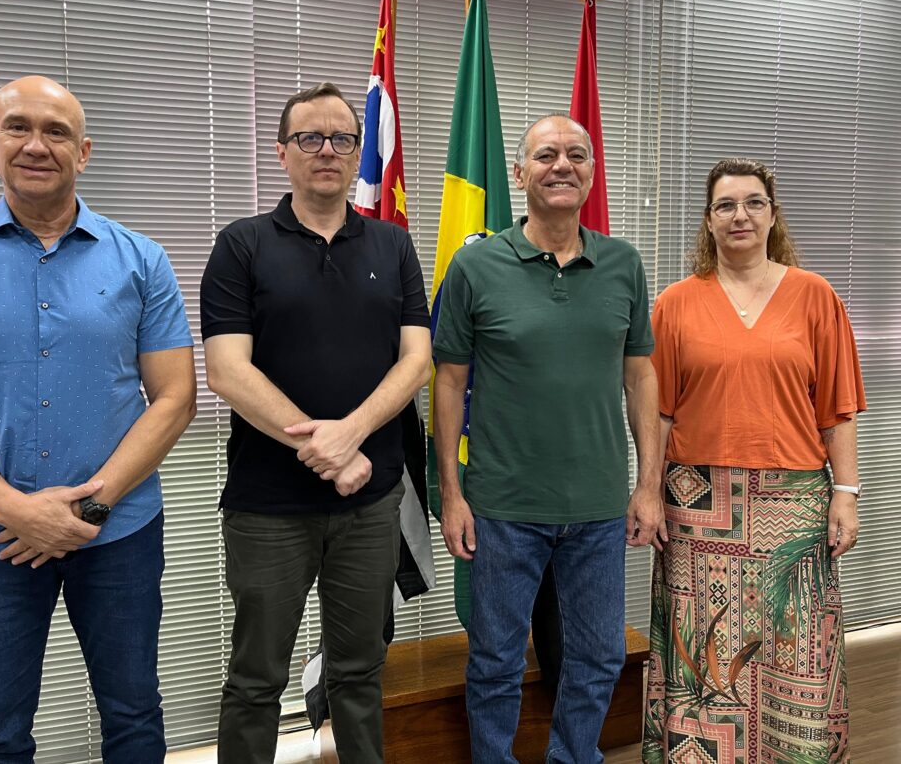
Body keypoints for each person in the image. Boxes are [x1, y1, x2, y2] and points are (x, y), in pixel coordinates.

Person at [0, 76, 196, 763]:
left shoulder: (141, 260)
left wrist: (88, 508)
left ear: (83, 152)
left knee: (135, 717)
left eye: (56, 131)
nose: (37, 144)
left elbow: (175, 397)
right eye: (19, 127)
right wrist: (18, 512)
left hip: (119, 535)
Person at [200, 81, 431, 764]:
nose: (326, 150)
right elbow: (226, 371)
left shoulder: (393, 246)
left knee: (358, 674)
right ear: (282, 152)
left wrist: (350, 433)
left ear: (360, 152)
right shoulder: (241, 245)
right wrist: (325, 445)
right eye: (310, 137)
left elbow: (416, 360)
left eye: (341, 138)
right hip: (267, 508)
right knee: (255, 681)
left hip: (370, 501)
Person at [433, 113, 664, 764]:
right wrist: (452, 493)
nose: (562, 165)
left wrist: (648, 485)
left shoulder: (623, 263)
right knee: (497, 660)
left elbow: (640, 376)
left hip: (597, 508)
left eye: (576, 154)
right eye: (545, 155)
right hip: (503, 507)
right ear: (519, 173)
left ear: (592, 172)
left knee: (598, 655)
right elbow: (448, 383)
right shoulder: (477, 266)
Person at [642, 157, 864, 762]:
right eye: (725, 205)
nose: (739, 215)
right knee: (704, 660)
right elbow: (657, 416)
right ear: (708, 221)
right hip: (696, 506)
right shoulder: (675, 304)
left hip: (792, 506)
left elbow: (836, 408)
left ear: (772, 214)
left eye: (752, 203)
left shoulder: (814, 295)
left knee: (795, 652)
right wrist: (646, 493)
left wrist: (847, 493)